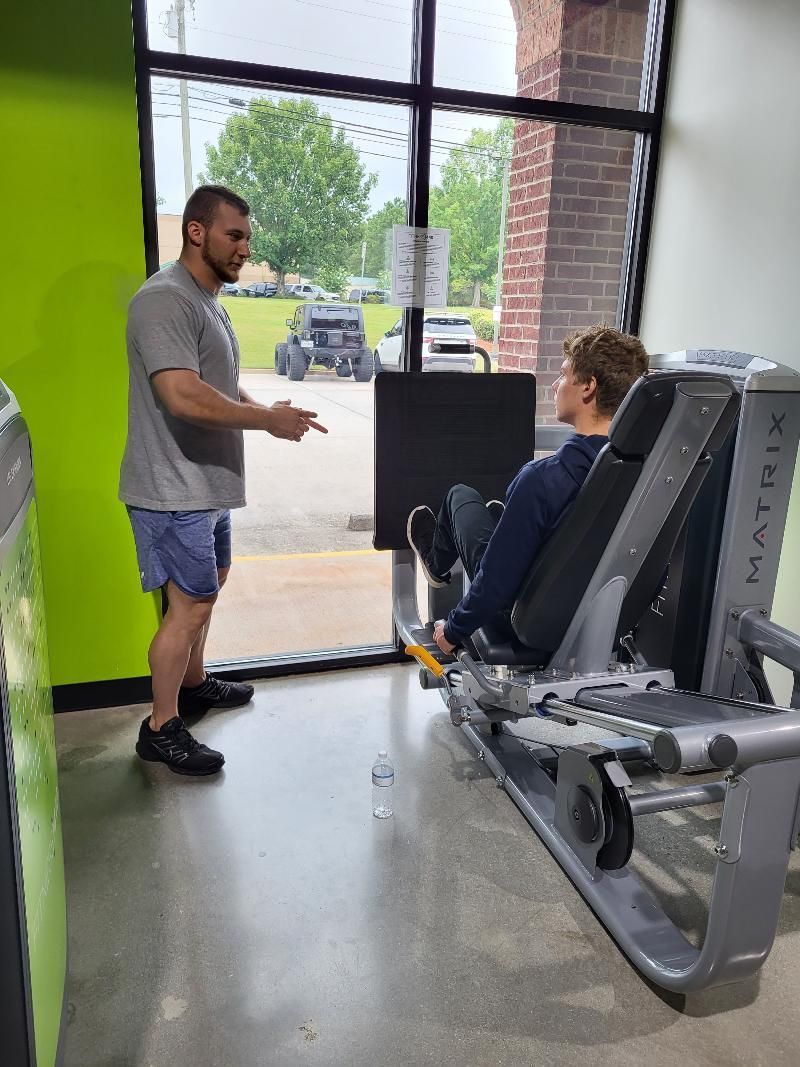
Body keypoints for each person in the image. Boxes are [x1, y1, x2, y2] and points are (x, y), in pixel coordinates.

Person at [120, 185, 327, 776]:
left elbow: (215, 379)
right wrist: (266, 421)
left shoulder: (207, 299)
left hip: (206, 486)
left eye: (247, 238)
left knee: (209, 587)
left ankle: (195, 684)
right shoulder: (163, 300)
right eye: (234, 236)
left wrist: (267, 410)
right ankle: (161, 728)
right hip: (172, 489)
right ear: (196, 231)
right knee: (186, 608)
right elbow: (182, 394)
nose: (244, 249)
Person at [406, 324, 649, 655]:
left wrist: (451, 630)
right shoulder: (648, 474)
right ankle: (507, 526)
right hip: (599, 616)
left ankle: (437, 563)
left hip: (522, 614)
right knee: (501, 518)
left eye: (563, 375)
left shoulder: (542, 479)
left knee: (460, 496)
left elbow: (495, 585)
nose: (555, 384)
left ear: (588, 387)